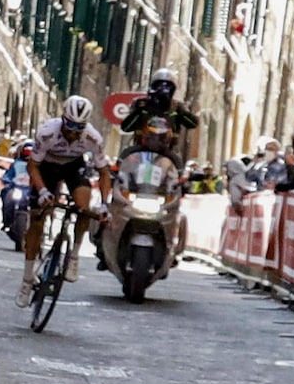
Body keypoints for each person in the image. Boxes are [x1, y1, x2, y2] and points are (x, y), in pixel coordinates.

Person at [20, 96, 105, 305]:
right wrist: (42, 192)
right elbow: (33, 166)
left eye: (79, 128)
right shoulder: (47, 132)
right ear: (63, 119)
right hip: (46, 167)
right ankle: (27, 278)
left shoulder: (93, 138)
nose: (74, 133)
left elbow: (104, 173)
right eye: (70, 126)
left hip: (73, 166)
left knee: (85, 208)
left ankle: (74, 255)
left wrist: (104, 203)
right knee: (37, 221)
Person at [101, 115, 186, 278]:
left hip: (158, 198)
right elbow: (118, 169)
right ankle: (101, 246)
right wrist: (115, 174)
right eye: (152, 136)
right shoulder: (130, 152)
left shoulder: (173, 159)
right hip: (134, 194)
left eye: (160, 137)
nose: (156, 141)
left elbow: (179, 178)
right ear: (145, 135)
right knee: (103, 213)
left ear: (167, 138)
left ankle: (173, 251)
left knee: (180, 219)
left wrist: (182, 183)